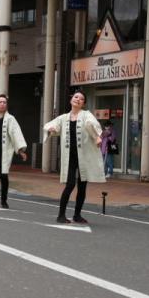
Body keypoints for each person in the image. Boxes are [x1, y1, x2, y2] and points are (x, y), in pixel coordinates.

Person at [44, 90, 105, 223]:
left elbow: (92, 125)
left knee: (82, 186)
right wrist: (52, 129)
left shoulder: (86, 115)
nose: (78, 99)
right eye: (76, 97)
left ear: (83, 103)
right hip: (69, 156)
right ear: (71, 100)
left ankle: (77, 215)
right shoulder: (63, 118)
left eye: (81, 99)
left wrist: (97, 137)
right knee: (70, 184)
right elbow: (51, 125)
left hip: (83, 156)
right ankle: (61, 215)